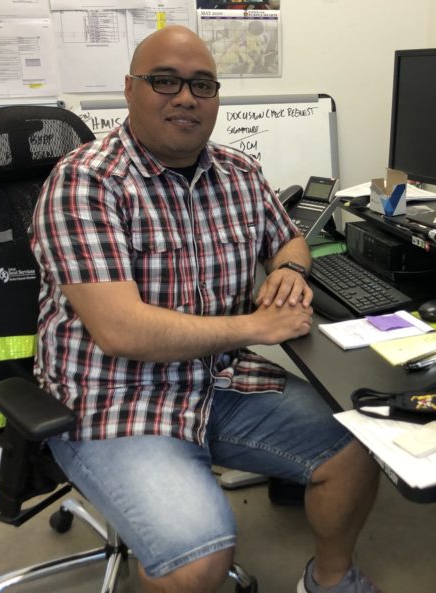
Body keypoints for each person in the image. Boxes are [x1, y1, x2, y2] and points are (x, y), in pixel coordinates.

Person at [31, 25, 381, 593]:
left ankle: (332, 579)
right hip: (117, 397)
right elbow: (120, 331)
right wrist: (257, 325)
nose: (186, 97)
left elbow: (290, 238)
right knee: (198, 563)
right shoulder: (85, 183)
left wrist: (290, 270)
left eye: (202, 85)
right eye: (164, 81)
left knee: (359, 443)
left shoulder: (238, 174)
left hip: (219, 380)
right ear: (129, 89)